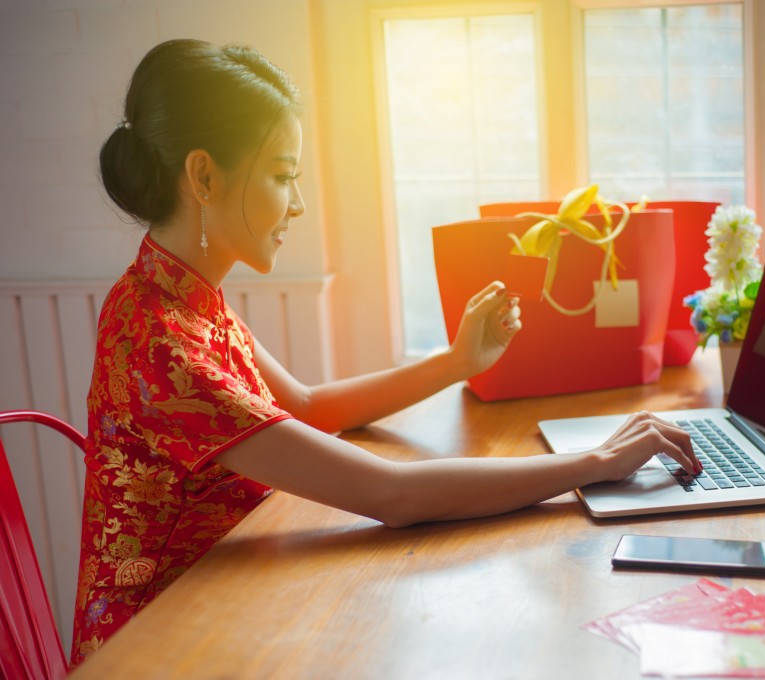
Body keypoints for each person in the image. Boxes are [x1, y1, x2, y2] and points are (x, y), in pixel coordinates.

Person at [71, 38, 699, 667]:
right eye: (284, 175)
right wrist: (596, 462)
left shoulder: (174, 295)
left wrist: (457, 362)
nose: (298, 203)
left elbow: (309, 407)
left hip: (225, 596)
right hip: (161, 646)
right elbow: (394, 496)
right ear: (204, 176)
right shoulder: (159, 340)